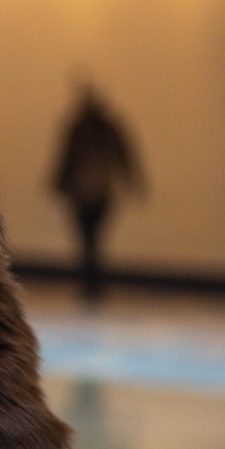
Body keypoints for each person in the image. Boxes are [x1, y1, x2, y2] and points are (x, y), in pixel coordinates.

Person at [52, 87, 145, 301]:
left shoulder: (79, 128)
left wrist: (58, 186)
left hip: (84, 193)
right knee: (94, 238)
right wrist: (134, 182)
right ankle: (93, 281)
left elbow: (66, 159)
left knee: (87, 238)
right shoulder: (107, 128)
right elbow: (124, 157)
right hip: (101, 192)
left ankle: (90, 281)